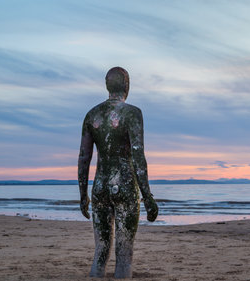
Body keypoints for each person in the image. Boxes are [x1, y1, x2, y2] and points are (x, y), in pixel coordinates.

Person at [78, 66, 158, 279]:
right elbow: (138, 156)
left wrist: (83, 195)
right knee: (123, 253)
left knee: (100, 251)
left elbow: (84, 158)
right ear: (127, 85)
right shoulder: (132, 113)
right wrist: (148, 196)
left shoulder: (92, 115)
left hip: (100, 186)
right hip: (124, 185)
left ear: (107, 85)